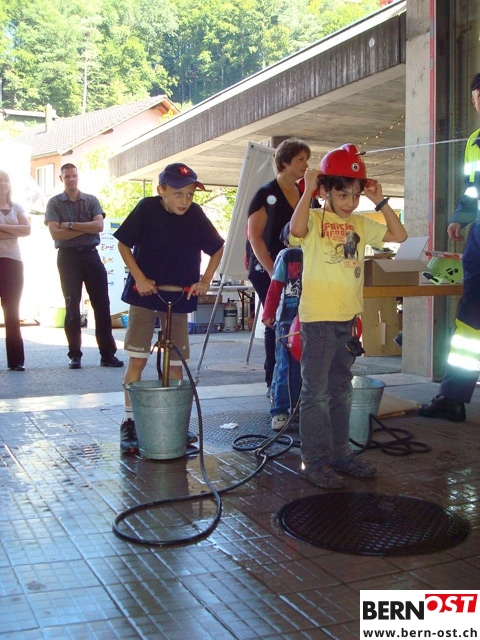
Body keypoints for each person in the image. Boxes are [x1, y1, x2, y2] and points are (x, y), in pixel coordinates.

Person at [289, 143, 408, 489]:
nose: (350, 202)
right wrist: (308, 189)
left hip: (347, 322)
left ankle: (341, 454)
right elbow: (296, 230)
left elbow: (399, 236)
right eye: (343, 195)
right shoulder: (314, 219)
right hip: (318, 321)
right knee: (315, 394)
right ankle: (314, 461)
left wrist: (379, 201)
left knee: (341, 391)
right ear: (325, 191)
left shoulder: (360, 223)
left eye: (355, 195)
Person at [114, 163, 225, 454]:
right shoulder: (147, 208)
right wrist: (139, 278)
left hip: (179, 296)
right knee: (138, 359)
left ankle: (174, 419)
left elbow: (217, 248)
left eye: (189, 195)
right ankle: (130, 422)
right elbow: (123, 244)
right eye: (178, 194)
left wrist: (205, 280)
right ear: (161, 190)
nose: (184, 201)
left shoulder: (195, 215)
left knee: (176, 363)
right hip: (144, 294)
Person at [419, 72, 480, 423]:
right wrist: (460, 217)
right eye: (479, 98)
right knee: (469, 323)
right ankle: (453, 398)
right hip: (479, 241)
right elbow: (473, 188)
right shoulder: (474, 141)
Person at [246, 138, 311, 396]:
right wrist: (273, 271)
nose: (305, 165)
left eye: (307, 160)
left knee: (298, 319)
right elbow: (254, 236)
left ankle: (295, 377)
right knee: (275, 320)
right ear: (284, 162)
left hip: (297, 268)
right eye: (300, 160)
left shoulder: (305, 194)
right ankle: (272, 380)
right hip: (269, 267)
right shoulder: (266, 193)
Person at [45, 163, 123, 370]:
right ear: (61, 179)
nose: (71, 179)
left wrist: (70, 226)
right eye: (67, 176)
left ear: (78, 177)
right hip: (68, 257)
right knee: (72, 305)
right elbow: (55, 233)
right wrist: (86, 228)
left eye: (74, 176)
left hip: (91, 255)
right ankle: (75, 355)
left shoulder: (91, 200)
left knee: (102, 305)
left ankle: (107, 354)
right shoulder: (54, 203)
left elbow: (99, 226)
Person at [262, 223, 302, 431]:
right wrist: (268, 313)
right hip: (287, 320)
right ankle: (280, 410)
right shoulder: (287, 256)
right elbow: (275, 286)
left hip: (312, 319)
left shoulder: (319, 253)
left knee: (306, 368)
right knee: (286, 367)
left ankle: (300, 407)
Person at [0, 170, 31, 371]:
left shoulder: (16, 207)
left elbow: (27, 229)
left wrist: (2, 228)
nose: (3, 184)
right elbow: (20, 229)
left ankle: (16, 361)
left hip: (13, 263)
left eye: (5, 180)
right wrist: (14, 230)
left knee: (12, 312)